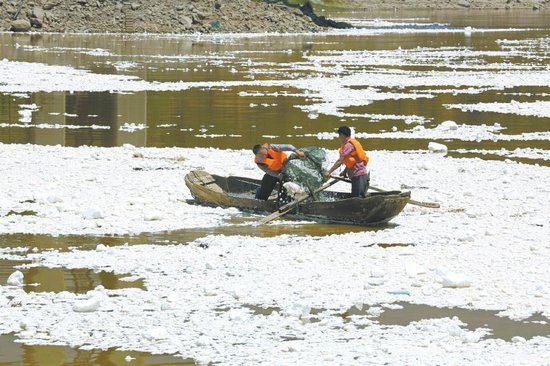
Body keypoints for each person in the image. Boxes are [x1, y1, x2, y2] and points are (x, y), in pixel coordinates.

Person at [323, 126, 370, 197]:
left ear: (342, 135)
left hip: (359, 175)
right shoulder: (351, 143)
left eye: (339, 135)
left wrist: (329, 172)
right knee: (356, 197)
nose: (339, 138)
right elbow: (353, 161)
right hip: (358, 175)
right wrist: (345, 171)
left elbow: (340, 161)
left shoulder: (348, 145)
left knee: (358, 198)